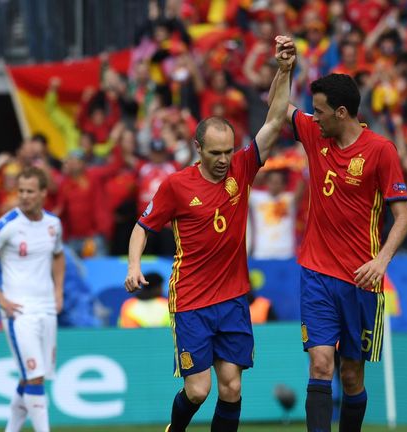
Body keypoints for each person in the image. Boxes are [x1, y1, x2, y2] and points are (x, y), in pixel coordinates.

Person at [124, 35, 296, 432]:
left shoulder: (242, 169)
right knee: (199, 390)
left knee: (232, 387)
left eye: (228, 152)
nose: (223, 160)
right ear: (198, 148)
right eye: (215, 153)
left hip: (234, 297)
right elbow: (142, 226)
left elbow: (274, 120)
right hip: (191, 299)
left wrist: (284, 69)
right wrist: (134, 264)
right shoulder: (176, 186)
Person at [278, 71, 407, 431]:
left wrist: (381, 260)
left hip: (360, 280)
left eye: (319, 111)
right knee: (321, 364)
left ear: (341, 112)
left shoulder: (381, 151)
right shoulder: (314, 134)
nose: (313, 117)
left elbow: (403, 216)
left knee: (352, 376)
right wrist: (283, 68)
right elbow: (278, 108)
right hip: (316, 274)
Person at [0, 167, 65, 432]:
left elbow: (58, 255)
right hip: (18, 311)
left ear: (43, 193)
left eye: (30, 191)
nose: (23, 196)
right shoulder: (8, 224)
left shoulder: (53, 224)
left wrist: (58, 292)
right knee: (34, 377)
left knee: (32, 377)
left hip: (46, 308)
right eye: (20, 191)